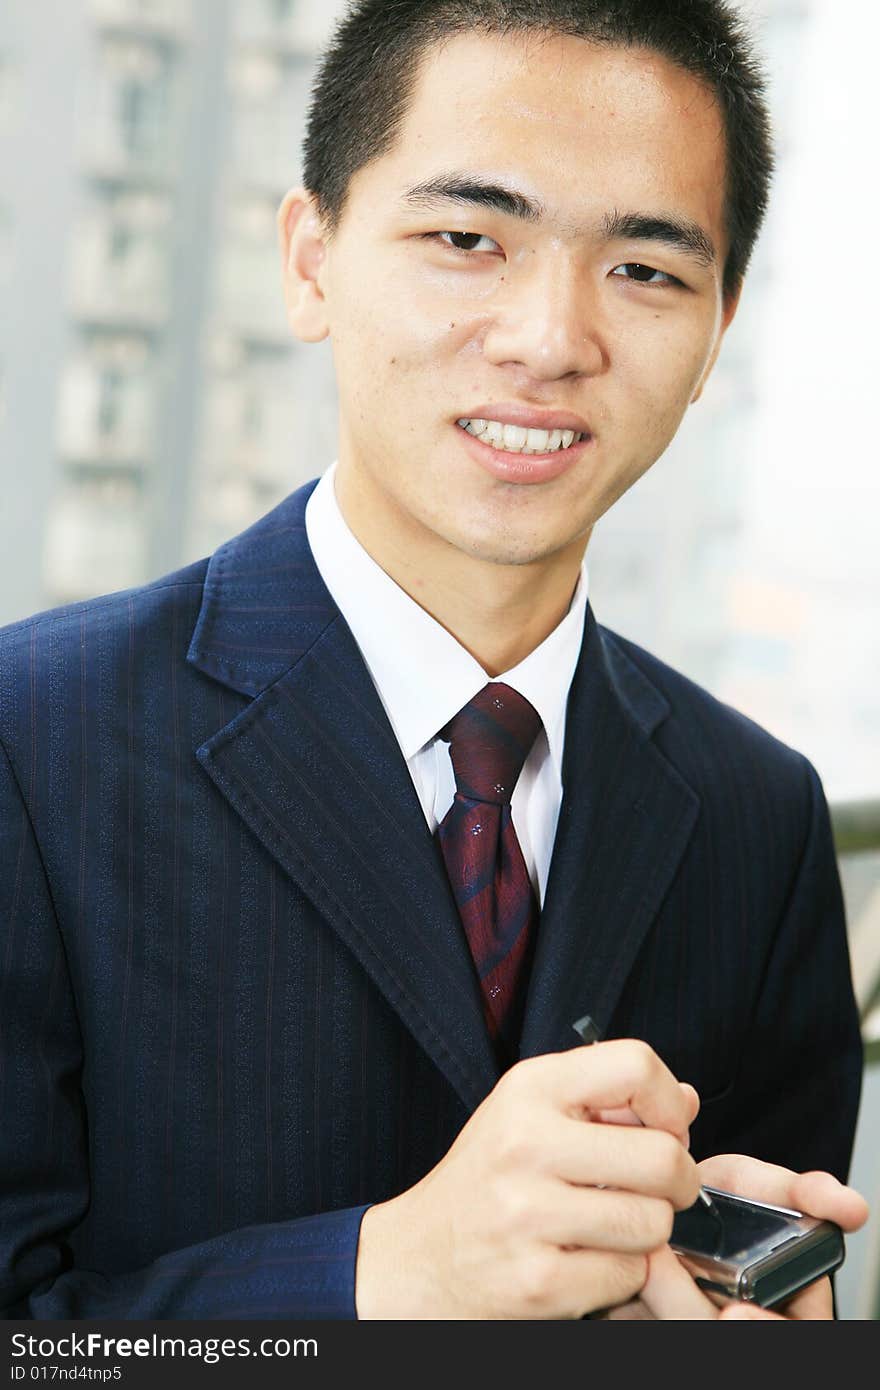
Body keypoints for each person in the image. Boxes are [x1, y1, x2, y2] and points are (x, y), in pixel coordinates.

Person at [0, 0, 867, 1322]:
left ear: (717, 327)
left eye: (646, 270)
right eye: (469, 239)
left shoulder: (759, 819)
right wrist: (383, 1276)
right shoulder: (31, 740)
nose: (550, 338)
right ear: (311, 260)